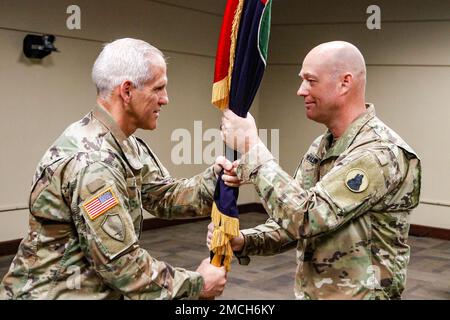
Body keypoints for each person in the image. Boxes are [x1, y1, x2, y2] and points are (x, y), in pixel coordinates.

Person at [0, 38, 240, 300]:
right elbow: (122, 266)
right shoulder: (93, 163)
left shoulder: (123, 143)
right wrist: (198, 285)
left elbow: (165, 197)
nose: (165, 99)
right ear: (127, 91)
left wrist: (217, 179)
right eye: (159, 88)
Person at [210, 41, 421, 299]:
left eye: (311, 81)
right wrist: (243, 241)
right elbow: (290, 218)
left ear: (345, 82)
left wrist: (254, 150)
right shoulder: (322, 146)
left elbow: (306, 218)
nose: (301, 91)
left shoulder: (379, 152)